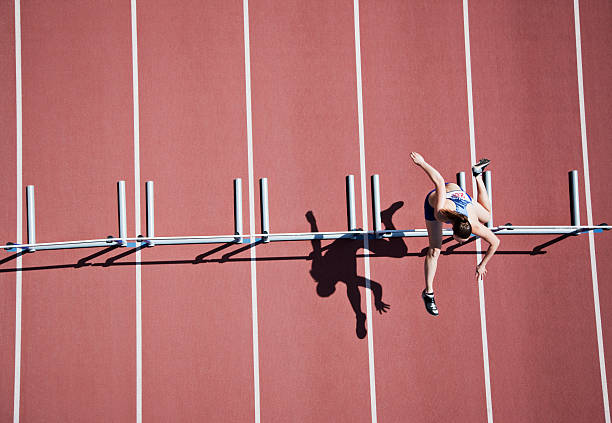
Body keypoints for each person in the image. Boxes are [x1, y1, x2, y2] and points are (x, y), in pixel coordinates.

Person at [410, 152, 500, 316]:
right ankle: (428, 293)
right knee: (435, 250)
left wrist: (483, 264)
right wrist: (422, 163)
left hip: (461, 197)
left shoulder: (473, 225)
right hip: (438, 197)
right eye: (459, 240)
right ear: (452, 228)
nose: (459, 243)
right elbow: (438, 182)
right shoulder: (441, 212)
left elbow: (495, 242)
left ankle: (478, 175)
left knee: (486, 216)